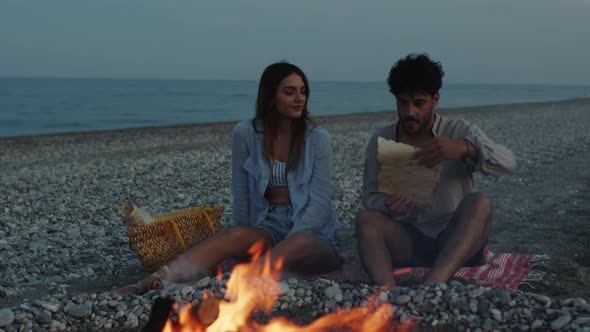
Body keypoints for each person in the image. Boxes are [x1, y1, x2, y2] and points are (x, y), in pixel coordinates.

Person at [117, 62, 341, 295]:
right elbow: (241, 192)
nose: (299, 98)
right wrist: (242, 240)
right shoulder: (245, 133)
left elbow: (320, 203)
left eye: (303, 91)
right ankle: (153, 281)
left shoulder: (317, 138)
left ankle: (236, 283)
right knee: (231, 235)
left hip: (312, 234)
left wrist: (287, 244)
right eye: (289, 91)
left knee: (298, 243)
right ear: (270, 95)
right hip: (268, 225)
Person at [356, 53, 516, 287]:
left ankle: (431, 288)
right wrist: (386, 205)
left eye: (419, 103)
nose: (410, 112)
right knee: (365, 219)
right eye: (403, 102)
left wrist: (466, 148)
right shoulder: (382, 138)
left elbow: (508, 162)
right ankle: (385, 294)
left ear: (435, 99)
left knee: (480, 203)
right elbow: (369, 196)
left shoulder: (457, 129)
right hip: (406, 240)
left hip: (454, 239)